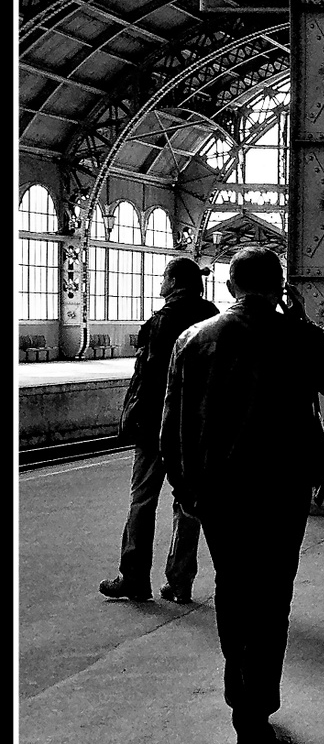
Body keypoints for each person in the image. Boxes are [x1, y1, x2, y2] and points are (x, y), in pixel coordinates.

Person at [160, 246, 324, 744]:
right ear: (279, 288)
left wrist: (185, 491)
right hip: (281, 491)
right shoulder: (296, 336)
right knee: (271, 600)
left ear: (229, 287)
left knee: (233, 593)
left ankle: (242, 710)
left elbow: (172, 427)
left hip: (218, 493)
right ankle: (256, 717)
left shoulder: (192, 340)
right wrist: (305, 323)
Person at [101, 257, 219, 604]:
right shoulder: (213, 317)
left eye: (164, 278)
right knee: (188, 503)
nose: (160, 283)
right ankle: (180, 582)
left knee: (142, 499)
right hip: (198, 427)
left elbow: (149, 379)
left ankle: (134, 577)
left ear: (174, 281)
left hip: (156, 426)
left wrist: (133, 419)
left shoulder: (162, 321)